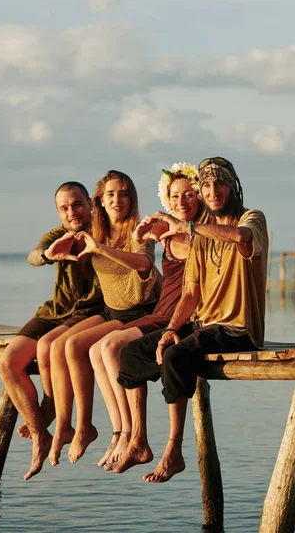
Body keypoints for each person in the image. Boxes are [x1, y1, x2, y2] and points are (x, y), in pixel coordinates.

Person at [113, 156, 268, 483]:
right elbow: (190, 293)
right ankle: (138, 438)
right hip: (203, 324)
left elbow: (241, 237)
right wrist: (170, 329)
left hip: (238, 328)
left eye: (220, 183)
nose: (213, 191)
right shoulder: (200, 233)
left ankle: (174, 450)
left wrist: (189, 226)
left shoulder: (252, 218)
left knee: (177, 355)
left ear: (233, 186)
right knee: (131, 353)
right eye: (207, 185)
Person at [89, 162, 204, 467]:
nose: (181, 201)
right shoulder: (166, 234)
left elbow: (188, 276)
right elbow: (165, 276)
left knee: (114, 345)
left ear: (199, 197)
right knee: (103, 347)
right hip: (162, 310)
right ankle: (127, 433)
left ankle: (134, 437)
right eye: (175, 196)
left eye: (189, 195)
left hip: (180, 315)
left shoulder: (204, 235)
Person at [46, 170, 161, 469]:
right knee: (76, 346)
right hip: (115, 312)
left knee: (106, 350)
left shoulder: (139, 228)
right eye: (110, 194)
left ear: (132, 198)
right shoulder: (96, 227)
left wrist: (100, 249)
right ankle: (116, 430)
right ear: (100, 200)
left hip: (144, 310)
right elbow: (53, 239)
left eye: (123, 193)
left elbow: (144, 262)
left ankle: (129, 434)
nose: (117, 200)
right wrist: (53, 253)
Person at [0, 181, 103, 481]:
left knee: (47, 346)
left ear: (90, 204)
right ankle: (41, 433)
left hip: (88, 313)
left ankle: (50, 405)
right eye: (64, 208)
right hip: (55, 310)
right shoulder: (59, 234)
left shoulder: (104, 231)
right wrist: (48, 255)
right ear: (58, 212)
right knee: (7, 364)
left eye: (77, 204)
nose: (72, 212)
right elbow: (34, 255)